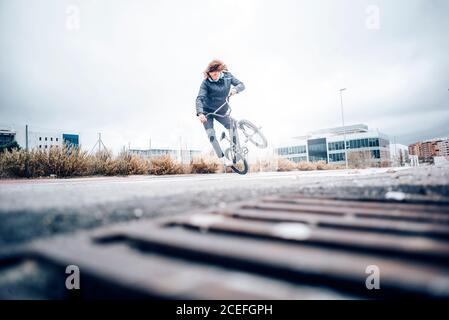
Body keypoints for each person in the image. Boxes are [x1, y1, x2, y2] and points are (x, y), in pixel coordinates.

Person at [195, 59, 245, 166]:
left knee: (233, 127)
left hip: (221, 110)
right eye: (211, 75)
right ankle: (222, 158)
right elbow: (199, 98)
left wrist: (236, 89)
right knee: (211, 135)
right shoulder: (205, 83)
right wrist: (200, 113)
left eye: (216, 74)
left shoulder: (227, 76)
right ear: (208, 74)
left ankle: (237, 153)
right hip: (207, 112)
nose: (214, 76)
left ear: (220, 71)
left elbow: (241, 85)